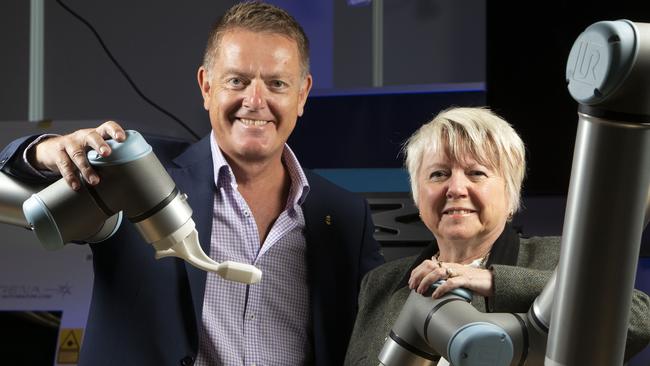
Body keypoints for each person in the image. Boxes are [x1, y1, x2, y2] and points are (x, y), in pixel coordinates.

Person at [0, 2, 384, 365]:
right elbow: (10, 176)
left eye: (277, 84)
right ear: (206, 87)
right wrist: (45, 151)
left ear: (302, 94)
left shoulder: (345, 216)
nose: (255, 100)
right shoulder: (138, 171)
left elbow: (382, 326)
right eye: (237, 80)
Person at [344, 107, 650, 365]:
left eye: (476, 173)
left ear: (510, 194)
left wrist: (495, 280)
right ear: (417, 194)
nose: (456, 188)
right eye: (438, 174)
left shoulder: (558, 259)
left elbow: (636, 319)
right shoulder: (381, 284)